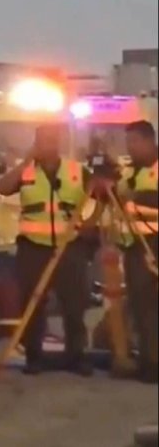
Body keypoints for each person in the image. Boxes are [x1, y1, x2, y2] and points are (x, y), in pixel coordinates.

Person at [0, 122, 92, 375]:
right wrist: (26, 161)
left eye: (52, 139)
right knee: (32, 303)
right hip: (33, 248)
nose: (48, 144)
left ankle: (76, 356)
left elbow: (103, 194)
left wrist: (89, 225)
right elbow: (3, 188)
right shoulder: (26, 172)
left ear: (59, 141)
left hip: (69, 247)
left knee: (75, 302)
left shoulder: (75, 171)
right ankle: (34, 357)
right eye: (43, 140)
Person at [118, 120, 158, 383]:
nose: (129, 148)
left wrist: (137, 202)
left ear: (148, 140)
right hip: (134, 247)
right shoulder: (129, 173)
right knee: (141, 307)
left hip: (154, 243)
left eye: (134, 142)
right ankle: (149, 361)